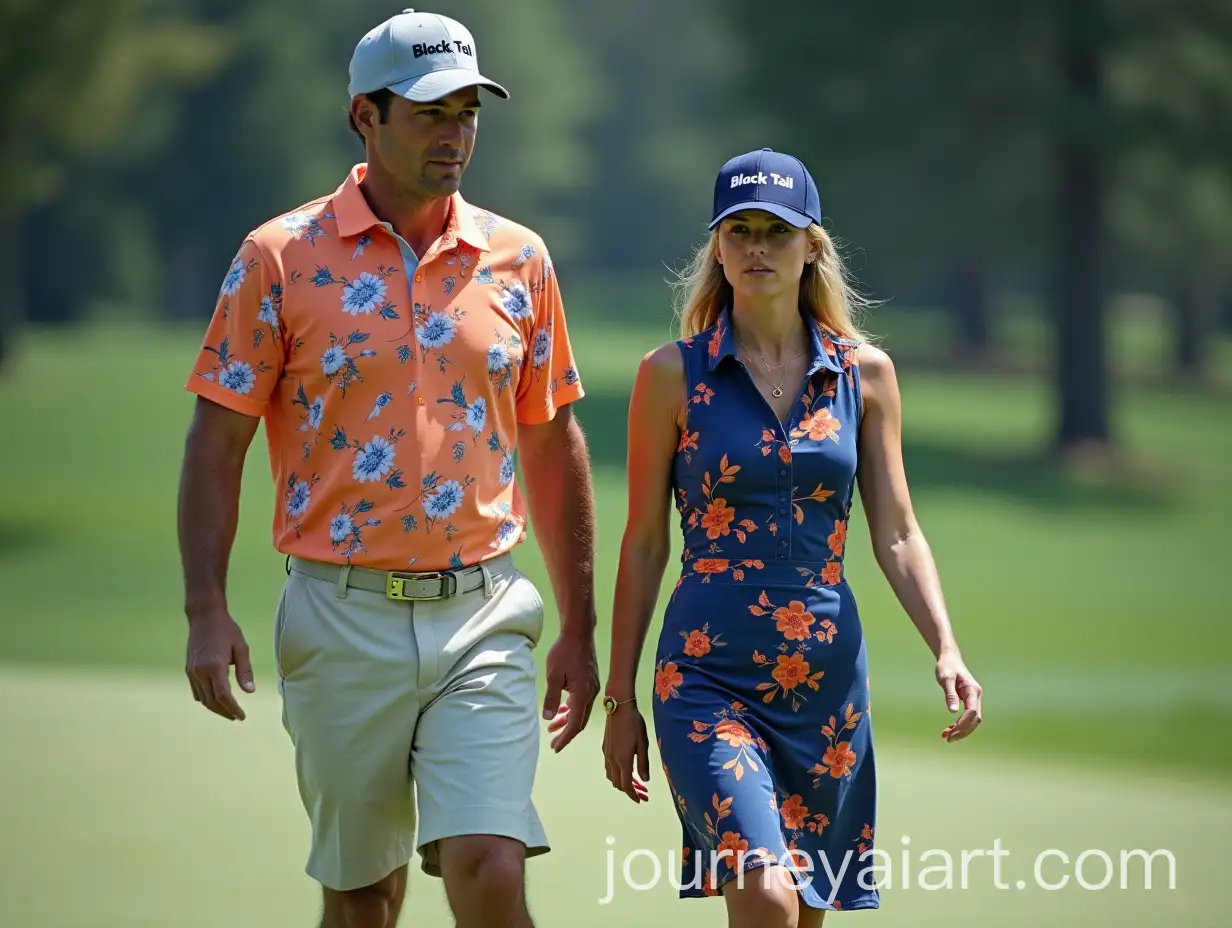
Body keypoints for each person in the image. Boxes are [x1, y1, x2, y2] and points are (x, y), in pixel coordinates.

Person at [177, 10, 600, 928]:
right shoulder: (277, 258)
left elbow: (553, 443)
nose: (456, 134)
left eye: (468, 113)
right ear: (363, 116)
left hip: (484, 610)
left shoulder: (519, 259)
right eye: (430, 113)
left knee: (489, 864)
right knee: (364, 899)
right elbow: (218, 440)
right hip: (339, 617)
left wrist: (580, 625)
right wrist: (207, 611)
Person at [600, 149, 984, 926]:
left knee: (804, 909)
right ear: (716, 246)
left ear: (812, 244)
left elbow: (899, 533)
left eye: (775, 230)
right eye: (737, 230)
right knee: (768, 891)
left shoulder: (865, 375)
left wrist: (945, 645)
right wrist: (621, 696)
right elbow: (644, 542)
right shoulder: (671, 375)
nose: (755, 247)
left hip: (824, 684)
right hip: (705, 675)